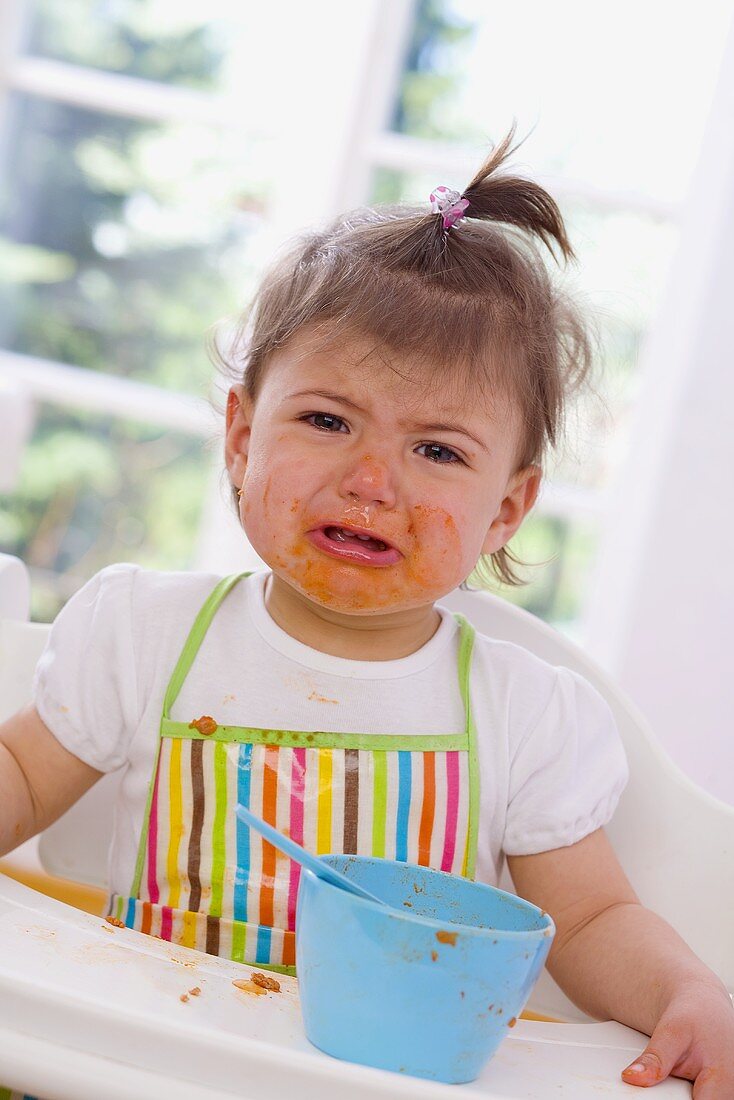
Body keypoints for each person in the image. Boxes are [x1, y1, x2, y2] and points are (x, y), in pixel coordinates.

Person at [1, 130, 732, 1094]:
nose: (371, 480)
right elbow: (18, 773)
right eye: (326, 420)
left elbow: (591, 924)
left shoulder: (524, 716)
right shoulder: (142, 636)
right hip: (134, 1066)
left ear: (506, 507)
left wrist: (688, 990)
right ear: (240, 435)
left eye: (437, 451)